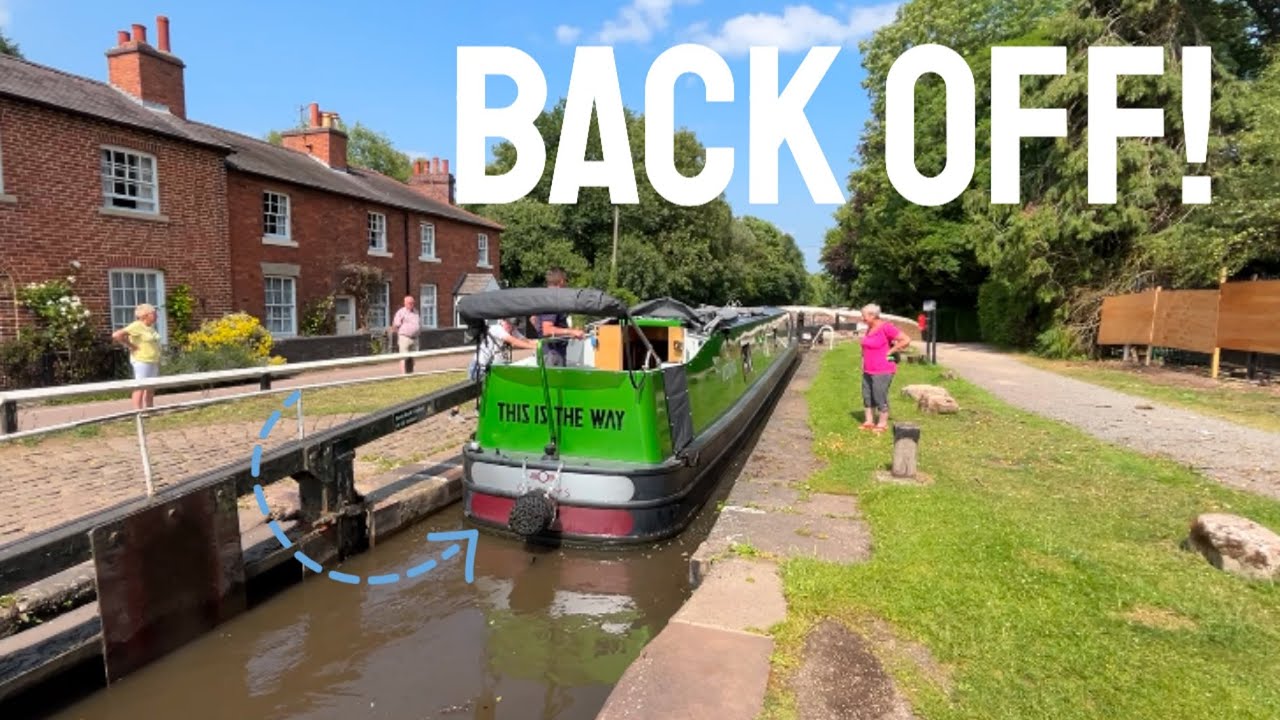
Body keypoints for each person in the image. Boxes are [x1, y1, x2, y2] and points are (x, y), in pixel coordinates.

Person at [859, 303, 910, 433]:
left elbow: (906, 340)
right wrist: (862, 362)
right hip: (868, 369)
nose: (862, 318)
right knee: (867, 396)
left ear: (872, 315)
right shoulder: (870, 328)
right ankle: (869, 421)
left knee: (879, 395)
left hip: (883, 369)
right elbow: (865, 347)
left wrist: (891, 351)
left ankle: (882, 423)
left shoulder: (886, 327)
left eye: (864, 316)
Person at [531, 266, 584, 367]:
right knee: (555, 382)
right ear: (561, 281)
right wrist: (571, 331)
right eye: (566, 281)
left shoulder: (543, 296)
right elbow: (547, 329)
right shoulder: (553, 299)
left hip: (547, 350)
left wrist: (565, 334)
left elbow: (533, 319)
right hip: (553, 354)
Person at [112, 303, 162, 410]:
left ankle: (149, 409)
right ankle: (137, 411)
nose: (156, 316)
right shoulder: (137, 325)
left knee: (151, 387)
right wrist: (131, 346)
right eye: (153, 313)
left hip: (153, 360)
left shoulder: (150, 328)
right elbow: (117, 335)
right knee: (140, 386)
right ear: (145, 315)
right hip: (141, 360)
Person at [470, 317, 538, 381]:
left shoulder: (512, 330)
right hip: (480, 368)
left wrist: (542, 343)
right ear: (502, 321)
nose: (511, 327)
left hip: (495, 368)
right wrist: (534, 347)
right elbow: (514, 341)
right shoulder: (496, 329)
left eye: (513, 325)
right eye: (509, 324)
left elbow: (527, 341)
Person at [390, 295, 420, 372]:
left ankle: (411, 373)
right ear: (405, 303)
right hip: (405, 338)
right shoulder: (401, 312)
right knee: (404, 357)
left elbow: (418, 323)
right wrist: (400, 334)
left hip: (415, 338)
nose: (411, 304)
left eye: (412, 303)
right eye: (409, 303)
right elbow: (396, 325)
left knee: (413, 357)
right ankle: (403, 375)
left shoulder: (416, 312)